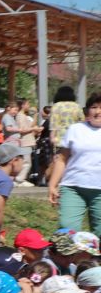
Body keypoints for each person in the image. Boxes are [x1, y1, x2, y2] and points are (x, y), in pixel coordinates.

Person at [46, 92, 101, 234]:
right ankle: (70, 256)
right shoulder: (76, 129)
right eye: (94, 107)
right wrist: (52, 185)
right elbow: (62, 159)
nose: (98, 111)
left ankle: (94, 257)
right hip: (73, 187)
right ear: (87, 110)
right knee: (67, 229)